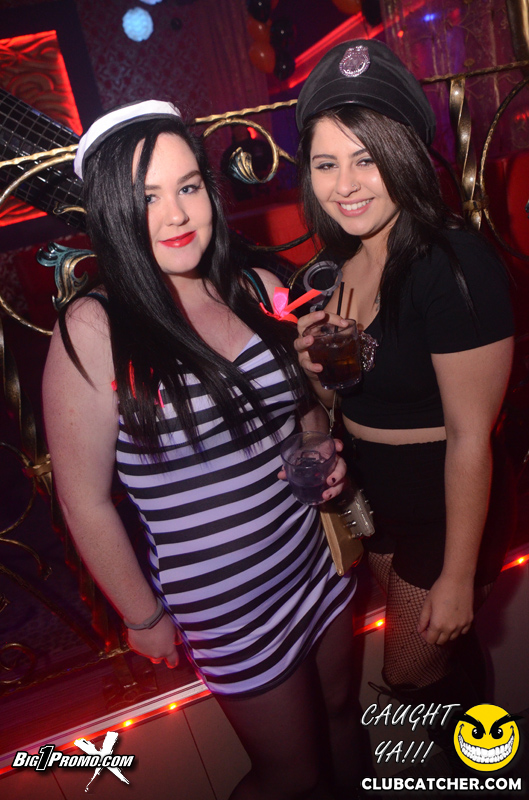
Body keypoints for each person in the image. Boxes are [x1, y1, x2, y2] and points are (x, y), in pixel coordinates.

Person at [42, 100, 363, 800]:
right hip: (228, 604)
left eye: (188, 186)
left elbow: (303, 409)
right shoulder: (94, 329)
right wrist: (144, 616)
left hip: (310, 561)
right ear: (112, 213)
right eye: (148, 198)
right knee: (291, 775)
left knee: (343, 717)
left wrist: (321, 451)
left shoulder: (256, 286)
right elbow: (84, 499)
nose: (177, 214)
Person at [293, 40, 515, 746]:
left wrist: (458, 575)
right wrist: (312, 369)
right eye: (326, 163)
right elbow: (346, 399)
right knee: (441, 654)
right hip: (375, 498)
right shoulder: (337, 264)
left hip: (443, 501)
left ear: (406, 156)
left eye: (367, 158)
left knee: (411, 673)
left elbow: (471, 436)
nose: (345, 184)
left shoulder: (453, 264)